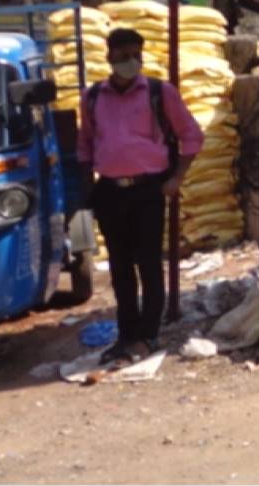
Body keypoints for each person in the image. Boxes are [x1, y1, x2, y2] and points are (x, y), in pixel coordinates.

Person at [77, 27, 204, 366]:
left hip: (149, 190)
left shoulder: (160, 93)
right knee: (119, 268)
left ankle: (148, 336)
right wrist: (88, 187)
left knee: (148, 264)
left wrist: (177, 178)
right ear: (109, 57)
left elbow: (192, 135)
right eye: (123, 56)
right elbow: (85, 143)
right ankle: (126, 335)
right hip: (110, 192)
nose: (130, 62)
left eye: (136, 55)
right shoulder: (93, 98)